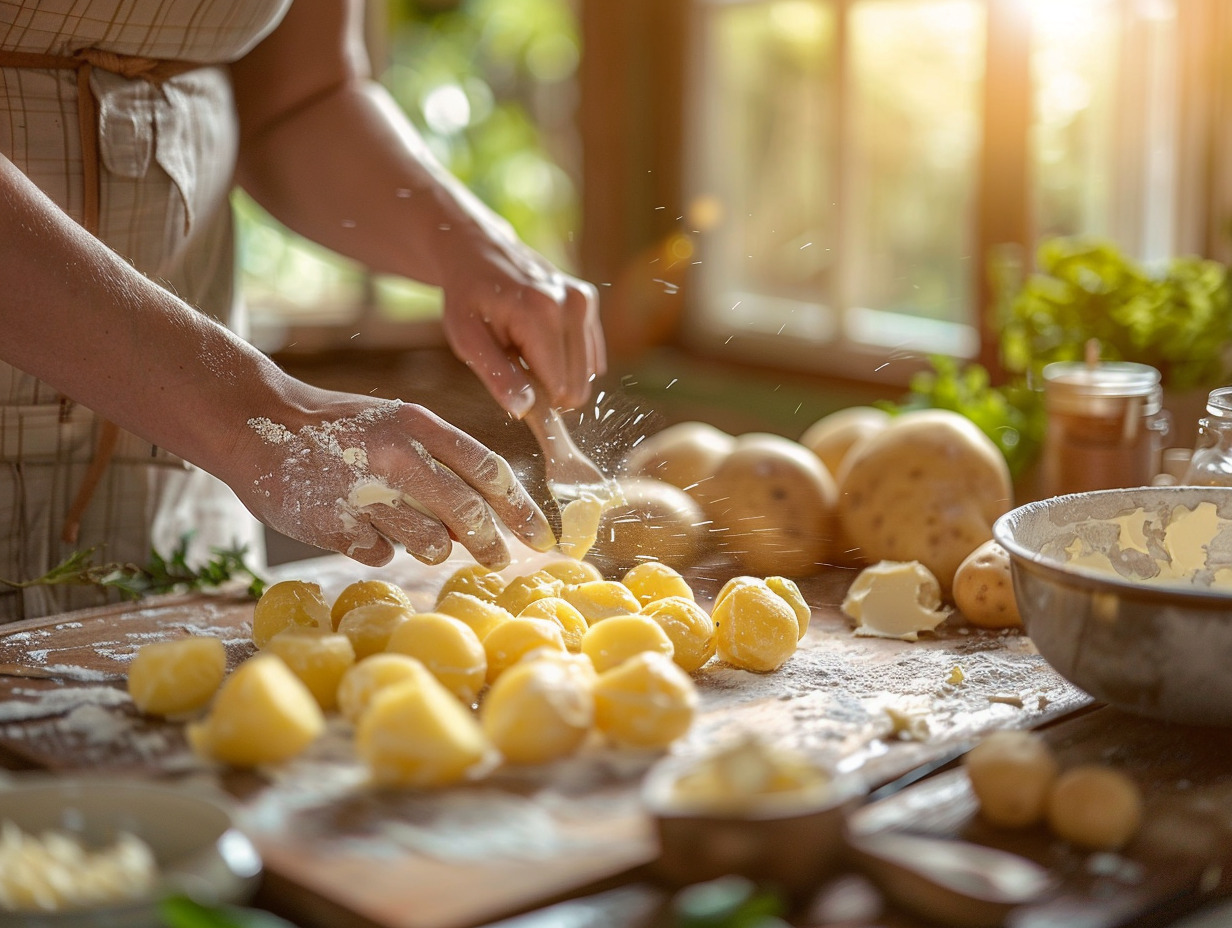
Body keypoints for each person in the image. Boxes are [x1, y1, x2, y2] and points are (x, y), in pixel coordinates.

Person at [0, 0, 605, 620]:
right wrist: (248, 414)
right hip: (205, 415)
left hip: (183, 472)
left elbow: (299, 99)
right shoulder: (247, 422)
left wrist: (466, 243)